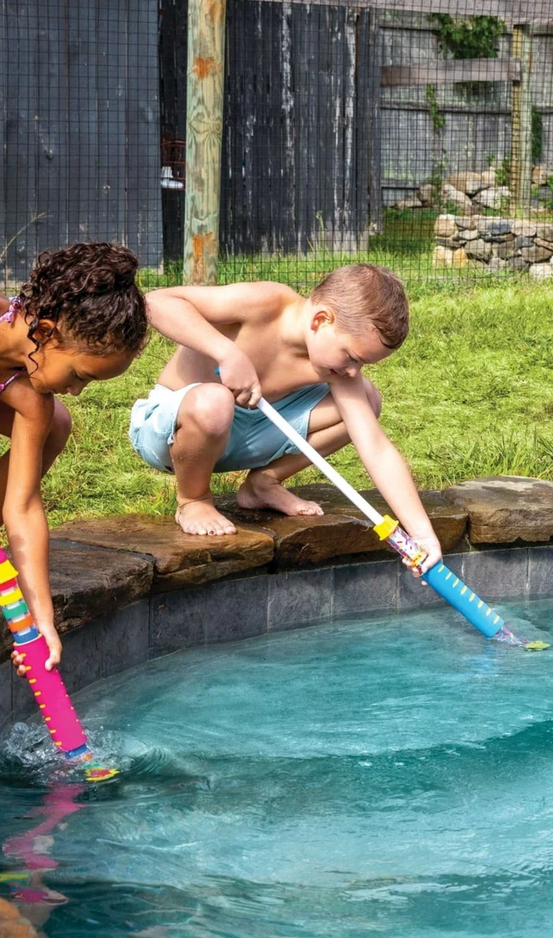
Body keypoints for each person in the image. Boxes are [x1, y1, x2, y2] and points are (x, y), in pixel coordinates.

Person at [130, 264, 443, 569]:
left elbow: (375, 447)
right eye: (351, 357)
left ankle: (263, 483)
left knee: (368, 400)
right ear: (321, 320)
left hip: (248, 434)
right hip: (177, 432)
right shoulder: (264, 305)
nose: (352, 371)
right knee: (214, 401)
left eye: (362, 364)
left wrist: (422, 534)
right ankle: (193, 500)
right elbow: (156, 302)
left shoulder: (338, 369)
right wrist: (228, 353)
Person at [1, 243, 148, 671]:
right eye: (79, 374)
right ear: (45, 333)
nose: (77, 390)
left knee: (54, 420)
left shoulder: (33, 400)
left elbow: (23, 505)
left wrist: (42, 620)